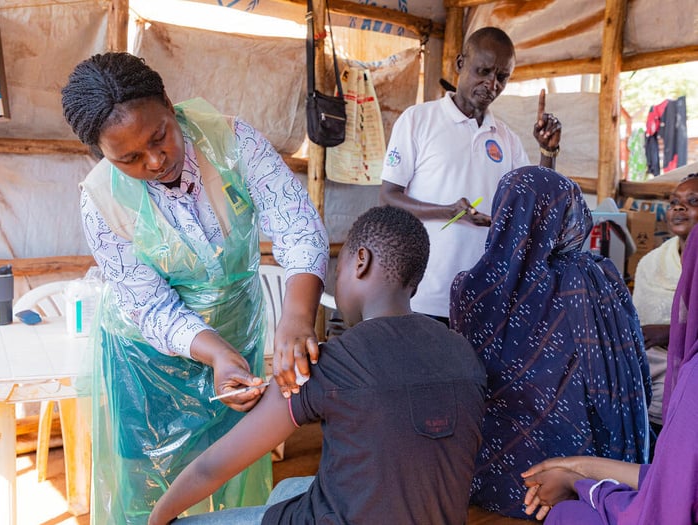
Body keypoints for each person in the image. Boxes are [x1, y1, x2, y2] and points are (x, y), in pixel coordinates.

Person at [61, 52, 329, 523]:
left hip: (237, 332)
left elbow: (296, 226)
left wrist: (297, 316)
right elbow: (150, 304)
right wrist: (215, 354)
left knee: (233, 464)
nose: (155, 159)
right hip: (145, 359)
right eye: (129, 158)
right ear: (102, 155)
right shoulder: (99, 200)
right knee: (149, 479)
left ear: (169, 102)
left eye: (159, 135)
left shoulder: (233, 141)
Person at [147, 205, 488, 525]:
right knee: (288, 489)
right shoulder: (461, 351)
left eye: (337, 271)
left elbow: (212, 468)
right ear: (413, 281)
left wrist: (158, 517)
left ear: (360, 262)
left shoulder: (336, 359)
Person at [449, 166, 651, 519]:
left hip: (487, 478)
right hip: (580, 478)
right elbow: (630, 368)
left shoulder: (472, 287)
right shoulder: (591, 277)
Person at [379, 26, 562, 324]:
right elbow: (388, 198)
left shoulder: (507, 139)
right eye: (484, 70)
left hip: (483, 300)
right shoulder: (418, 120)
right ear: (460, 63)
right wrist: (448, 211)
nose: (491, 84)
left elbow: (535, 201)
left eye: (501, 77)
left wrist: (547, 152)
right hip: (421, 296)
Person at [521, 227, 698, 525]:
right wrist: (576, 467)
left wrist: (580, 486)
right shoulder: (596, 276)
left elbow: (666, 508)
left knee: (565, 514)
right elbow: (674, 480)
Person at [631, 173, 698, 441]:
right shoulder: (650, 263)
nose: (679, 208)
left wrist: (669, 333)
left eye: (692, 201)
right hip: (655, 395)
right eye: (674, 202)